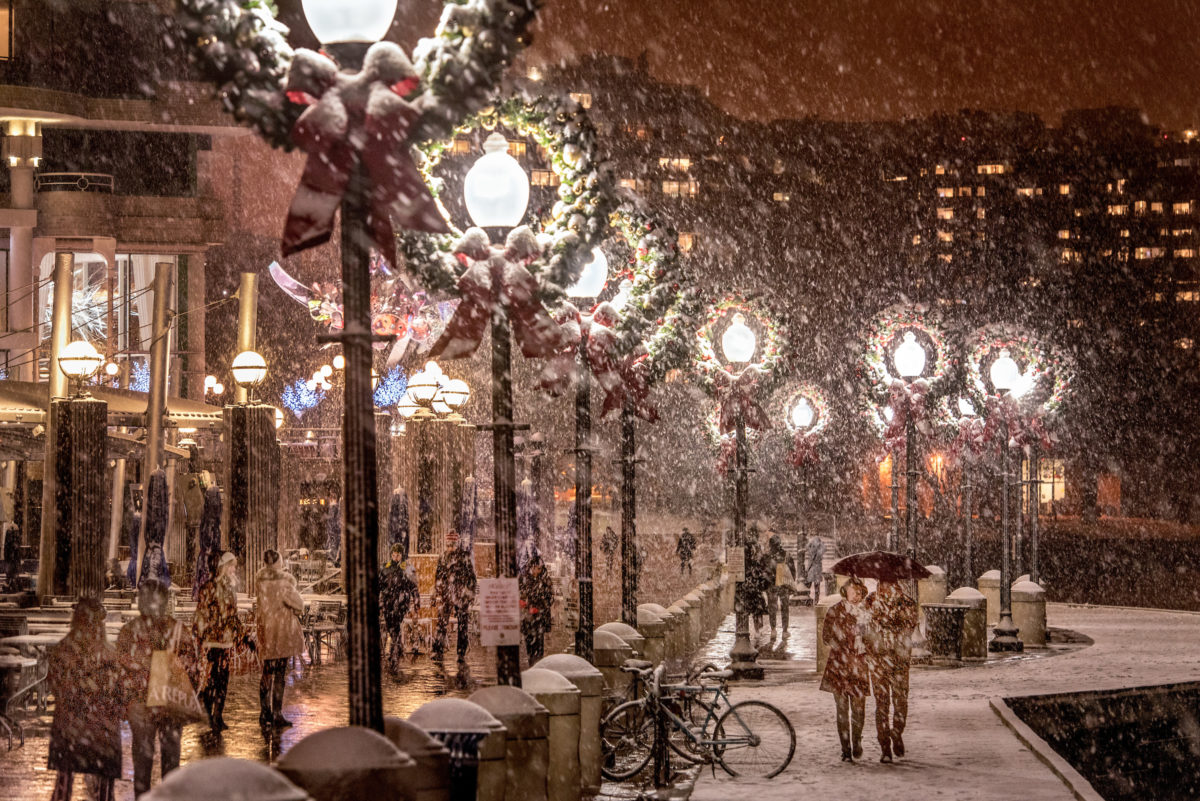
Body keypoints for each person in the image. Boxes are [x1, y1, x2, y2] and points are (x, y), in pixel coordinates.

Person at [117, 579, 198, 797]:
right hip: (170, 704)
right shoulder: (179, 631)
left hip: (140, 706)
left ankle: (143, 797)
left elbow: (119, 671)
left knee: (142, 761)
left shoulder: (129, 632)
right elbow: (192, 668)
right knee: (171, 761)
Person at [46, 597, 130, 801]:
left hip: (70, 729)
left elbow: (53, 684)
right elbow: (121, 693)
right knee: (104, 789)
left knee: (64, 783)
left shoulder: (63, 650)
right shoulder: (110, 654)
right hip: (102, 731)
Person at [193, 551, 247, 734]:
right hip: (212, 641)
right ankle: (212, 715)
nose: (234, 569)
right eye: (231, 565)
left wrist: (240, 636)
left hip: (223, 642)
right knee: (212, 680)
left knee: (221, 680)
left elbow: (232, 616)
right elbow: (202, 614)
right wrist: (201, 636)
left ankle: (217, 716)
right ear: (222, 567)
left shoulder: (225, 588)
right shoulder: (210, 587)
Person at [820, 577, 872, 762]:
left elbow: (873, 638)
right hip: (839, 666)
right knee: (842, 710)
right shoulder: (836, 611)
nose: (857, 596)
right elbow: (826, 637)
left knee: (859, 709)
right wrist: (842, 644)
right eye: (854, 591)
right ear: (845, 591)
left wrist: (864, 641)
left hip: (858, 665)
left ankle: (857, 741)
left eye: (860, 592)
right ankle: (845, 748)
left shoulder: (866, 613)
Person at [867, 580, 919, 762]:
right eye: (882, 584)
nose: (884, 588)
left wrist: (892, 632)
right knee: (881, 704)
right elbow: (863, 628)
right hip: (878, 661)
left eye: (888, 584)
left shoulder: (906, 602)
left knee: (900, 701)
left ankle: (897, 732)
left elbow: (910, 626)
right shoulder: (870, 601)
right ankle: (885, 747)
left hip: (899, 662)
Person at [254, 549, 305, 730]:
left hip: (265, 630)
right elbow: (298, 604)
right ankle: (276, 713)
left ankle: (264, 711)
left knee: (266, 672)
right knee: (280, 674)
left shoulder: (260, 581)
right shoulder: (284, 582)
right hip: (281, 632)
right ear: (278, 563)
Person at [433, 530, 476, 663]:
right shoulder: (443, 557)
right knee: (441, 623)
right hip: (447, 594)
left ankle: (461, 653)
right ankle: (438, 650)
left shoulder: (464, 557)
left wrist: (469, 593)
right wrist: (436, 590)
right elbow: (438, 576)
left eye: (452, 544)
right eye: (448, 545)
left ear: (457, 544)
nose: (450, 547)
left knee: (462, 625)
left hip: (461, 595)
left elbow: (471, 578)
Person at [380, 543, 420, 666]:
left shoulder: (407, 568)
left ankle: (394, 651)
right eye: (393, 555)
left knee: (395, 625)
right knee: (390, 624)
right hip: (388, 602)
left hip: (401, 602)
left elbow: (414, 587)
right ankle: (397, 648)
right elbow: (380, 585)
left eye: (397, 555)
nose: (395, 557)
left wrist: (416, 601)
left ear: (402, 555)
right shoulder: (385, 568)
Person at [519, 547, 553, 663]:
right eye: (534, 568)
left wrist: (539, 608)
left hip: (539, 618)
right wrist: (524, 603)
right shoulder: (524, 579)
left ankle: (537, 662)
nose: (536, 571)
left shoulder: (545, 580)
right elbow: (519, 593)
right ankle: (531, 661)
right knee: (529, 642)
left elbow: (550, 598)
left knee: (539, 643)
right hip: (527, 617)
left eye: (538, 568)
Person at [764, 533, 797, 636]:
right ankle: (784, 630)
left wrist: (766, 584)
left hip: (772, 585)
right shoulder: (786, 555)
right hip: (783, 585)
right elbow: (792, 571)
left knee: (772, 608)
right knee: (785, 608)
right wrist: (790, 582)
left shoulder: (767, 556)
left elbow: (763, 571)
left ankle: (773, 629)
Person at [738, 539, 770, 635]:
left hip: (751, 587)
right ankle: (756, 626)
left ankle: (756, 627)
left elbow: (760, 573)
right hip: (752, 587)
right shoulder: (753, 562)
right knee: (756, 607)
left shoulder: (752, 562)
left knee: (754, 607)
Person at [804, 533, 826, 604]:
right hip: (818, 568)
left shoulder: (811, 548)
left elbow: (810, 560)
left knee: (808, 584)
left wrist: (807, 569)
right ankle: (816, 601)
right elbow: (824, 549)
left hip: (812, 568)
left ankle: (807, 599)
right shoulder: (820, 549)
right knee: (817, 586)